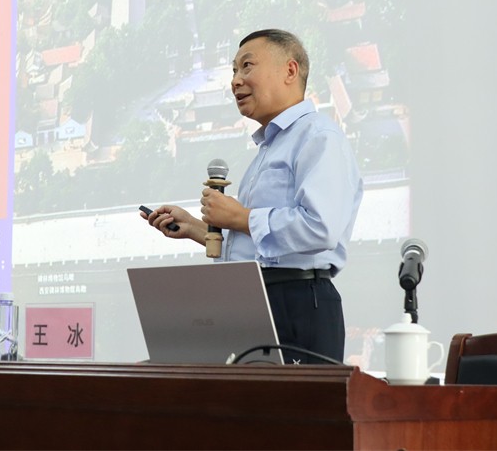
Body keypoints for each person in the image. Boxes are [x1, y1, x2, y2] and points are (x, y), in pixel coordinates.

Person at [141, 29, 363, 364]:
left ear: (290, 71)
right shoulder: (268, 149)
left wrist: (240, 217)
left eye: (247, 66)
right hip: (256, 298)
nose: (235, 81)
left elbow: (321, 227)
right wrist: (197, 230)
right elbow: (262, 246)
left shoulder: (319, 136)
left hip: (299, 301)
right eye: (233, 71)